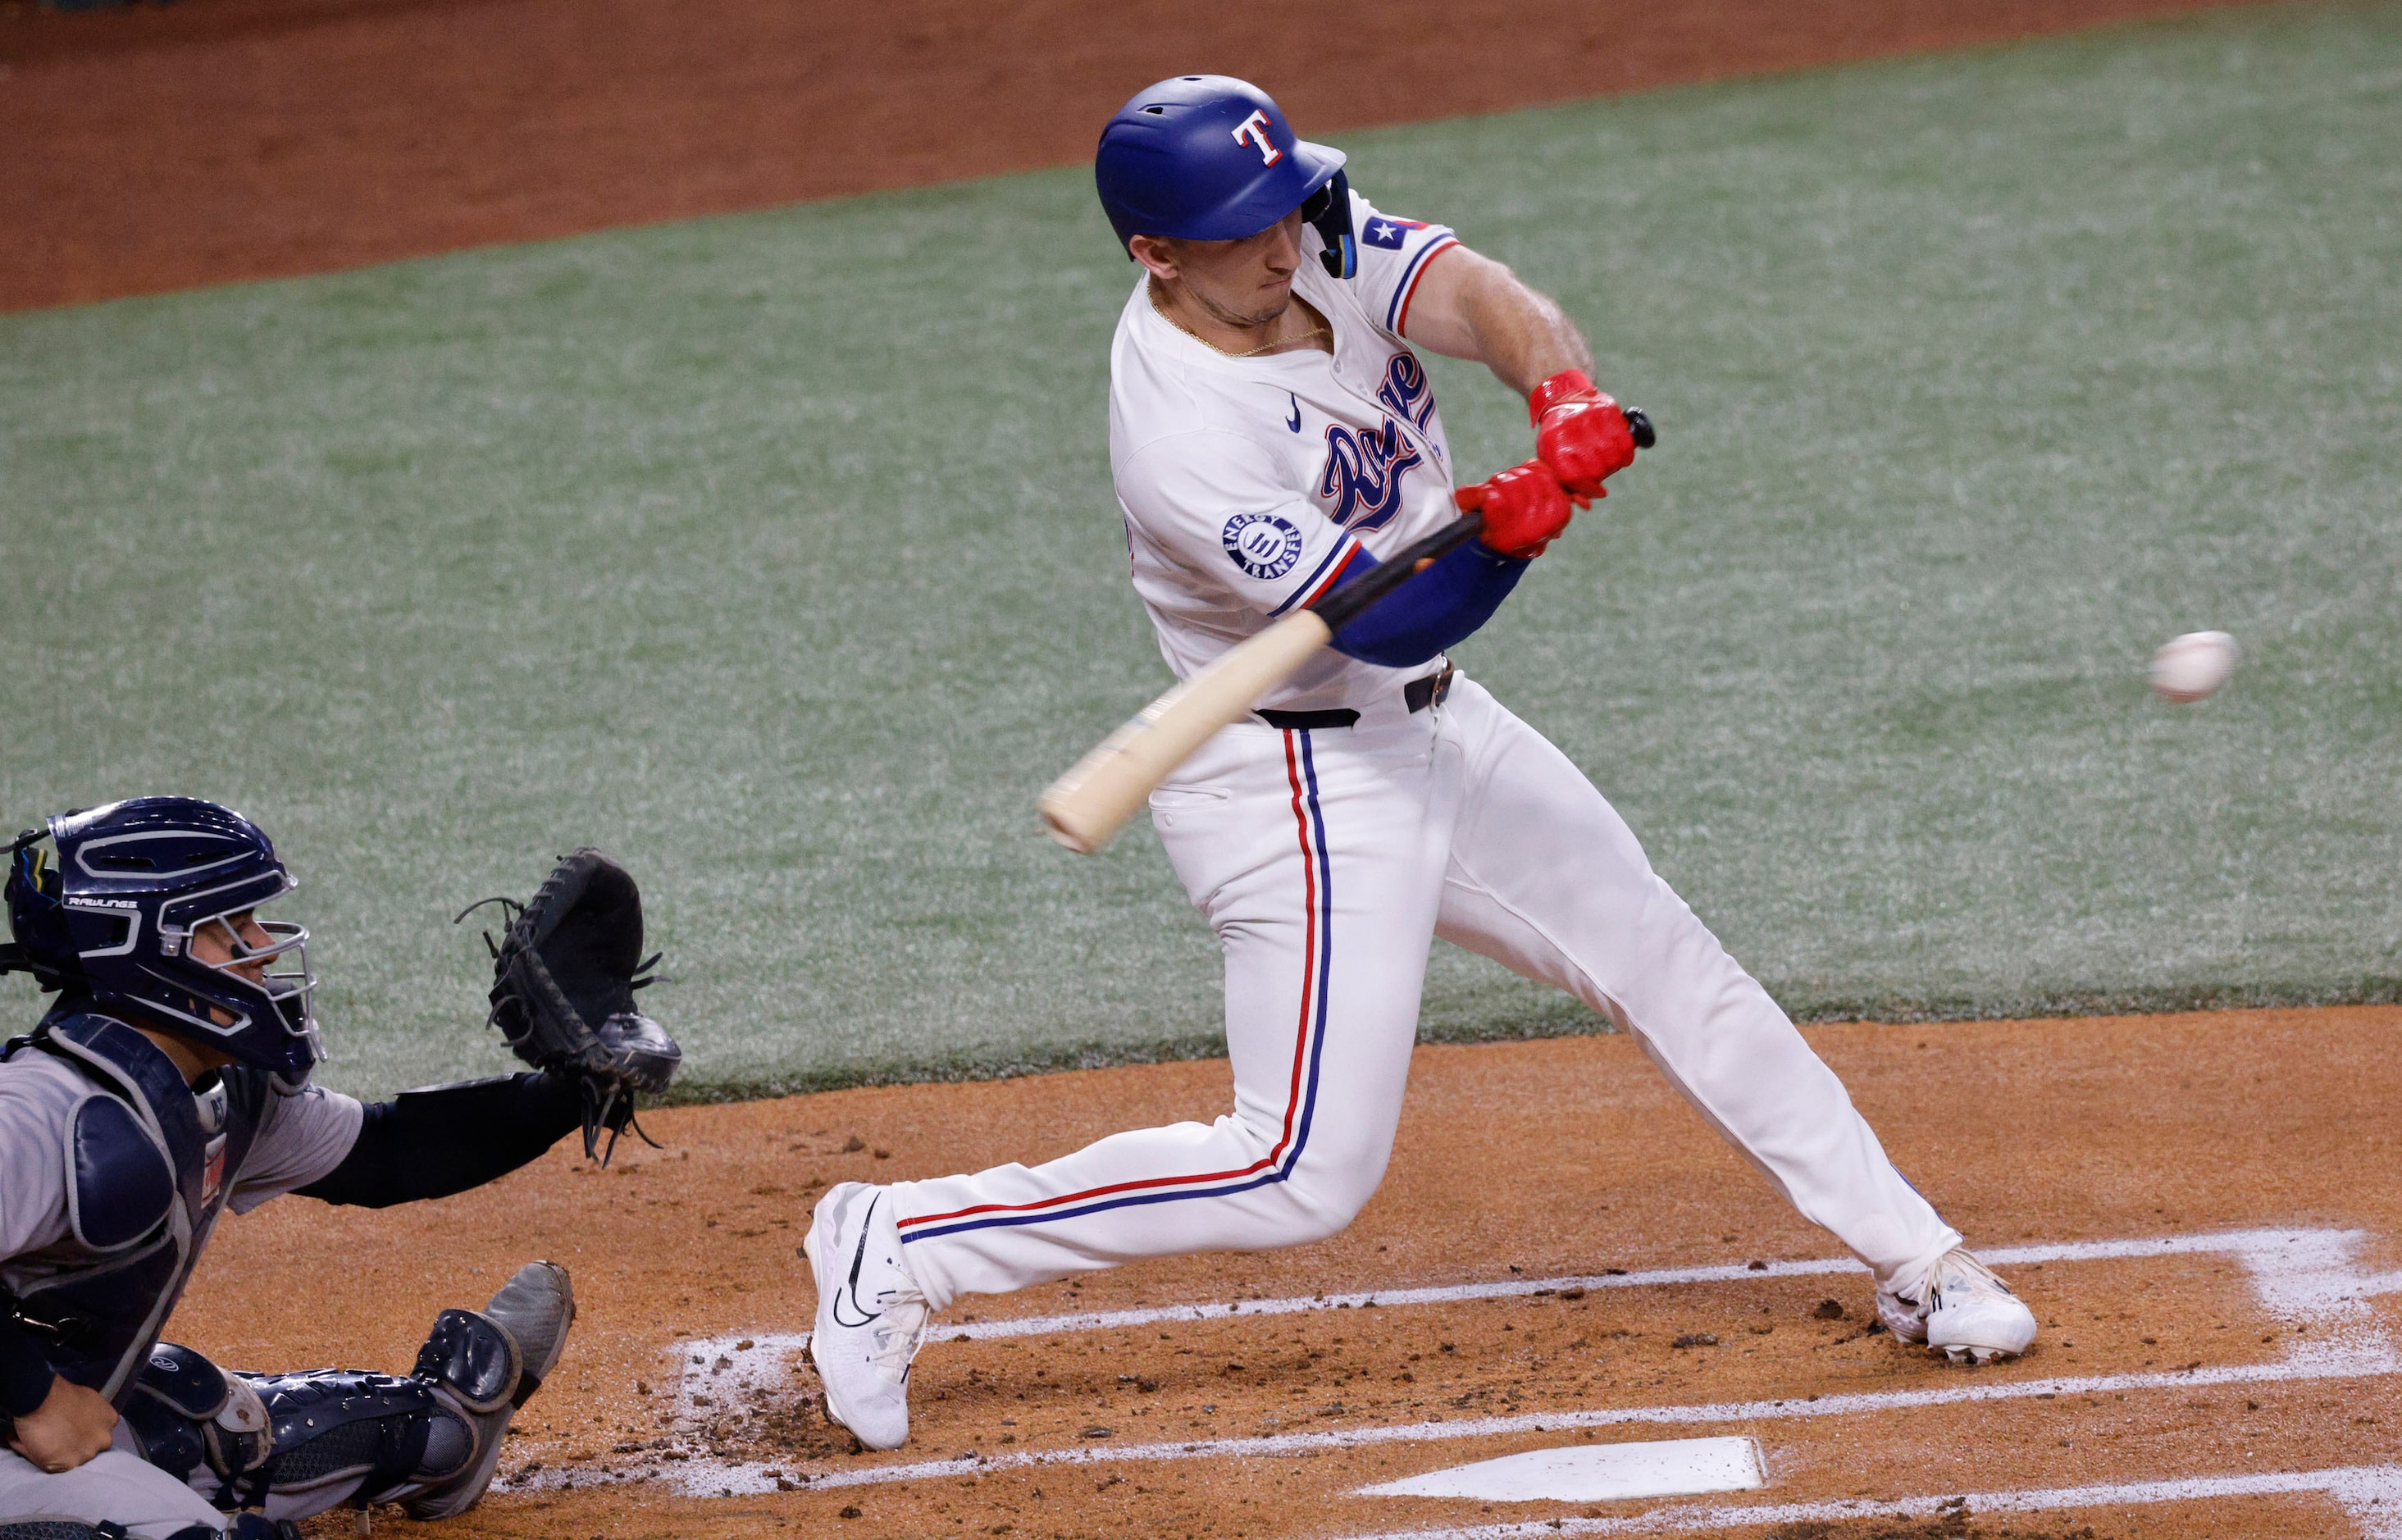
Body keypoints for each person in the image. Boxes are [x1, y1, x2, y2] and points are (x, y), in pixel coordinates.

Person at [801, 75, 2037, 1452]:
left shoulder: (1301, 233)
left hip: (1440, 724)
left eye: (1283, 212)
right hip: (1297, 783)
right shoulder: (1182, 435)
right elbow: (1389, 614)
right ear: (1153, 252)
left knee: (1663, 956)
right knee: (1295, 1170)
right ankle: (900, 1238)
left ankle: (1916, 1253)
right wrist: (1514, 532)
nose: (1281, 249)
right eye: (1239, 233)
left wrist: (1556, 390)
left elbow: (1471, 292)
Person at [0, 797, 676, 1538]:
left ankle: (448, 1434)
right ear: (148, 952)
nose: (264, 948)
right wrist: (32, 1398)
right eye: (232, 930)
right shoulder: (41, 1112)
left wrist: (567, 1090)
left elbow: (385, 1152)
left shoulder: (203, 1093)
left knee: (208, 1422)